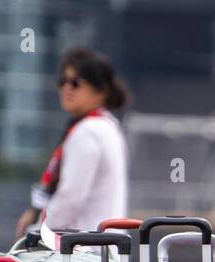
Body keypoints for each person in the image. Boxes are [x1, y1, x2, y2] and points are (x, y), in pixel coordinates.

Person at [16, 48, 130, 239]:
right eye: (63, 81)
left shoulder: (88, 131)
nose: (66, 88)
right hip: (104, 251)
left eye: (76, 82)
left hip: (81, 256)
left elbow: (70, 198)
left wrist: (34, 233)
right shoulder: (108, 127)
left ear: (100, 90)